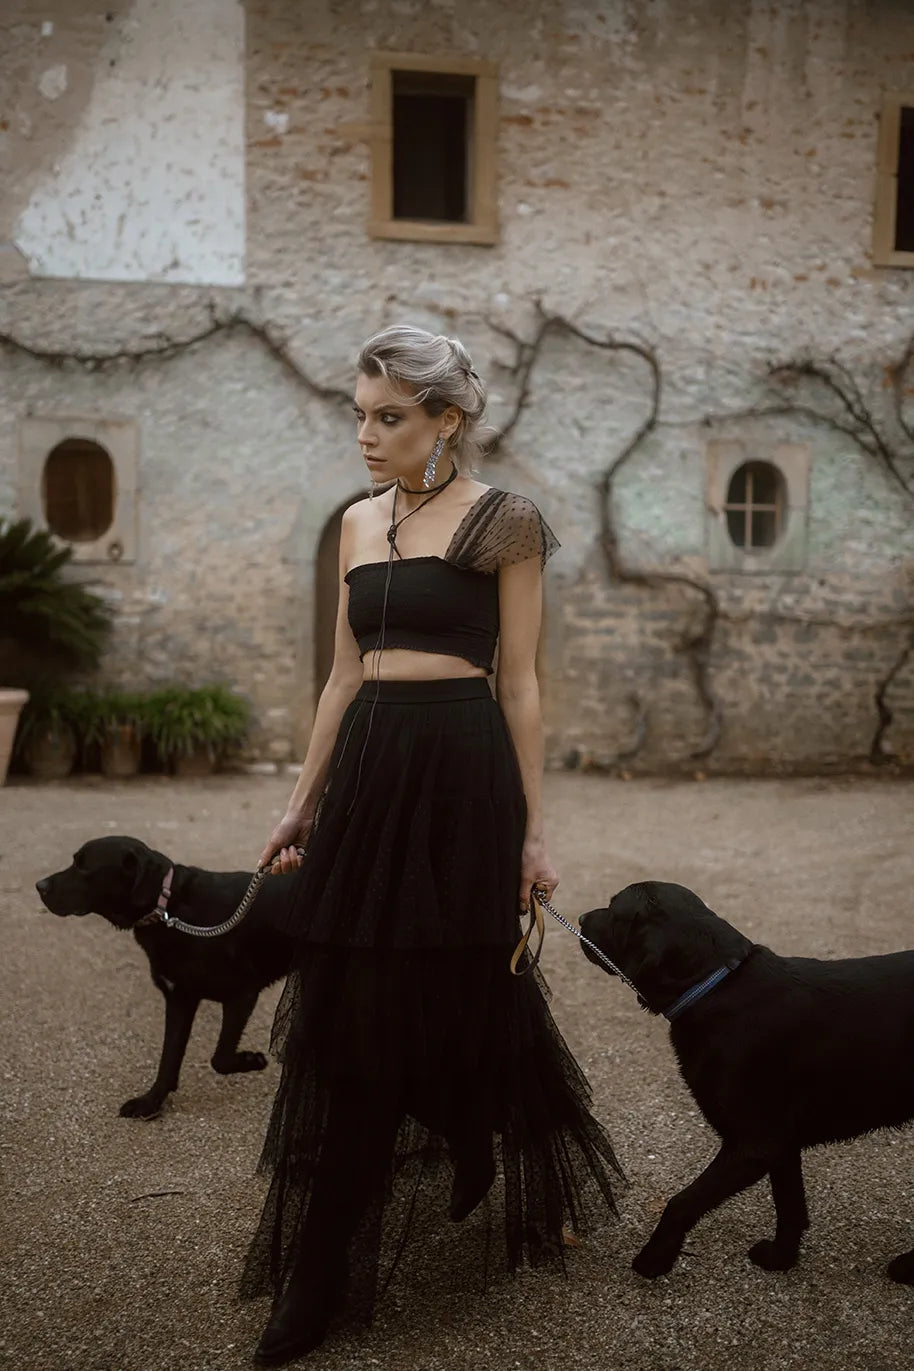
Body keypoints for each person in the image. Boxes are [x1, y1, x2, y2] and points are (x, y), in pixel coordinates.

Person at [240, 325, 623, 1366]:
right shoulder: (358, 526)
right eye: (359, 414)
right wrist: (298, 804)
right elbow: (340, 678)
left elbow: (523, 683)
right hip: (369, 772)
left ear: (444, 420)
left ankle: (463, 1122)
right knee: (353, 1014)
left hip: (462, 775)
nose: (365, 435)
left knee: (460, 984)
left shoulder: (506, 523)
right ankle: (318, 1276)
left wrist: (535, 831)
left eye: (388, 417)